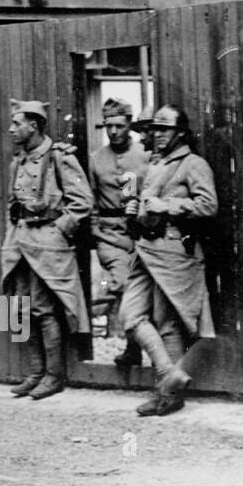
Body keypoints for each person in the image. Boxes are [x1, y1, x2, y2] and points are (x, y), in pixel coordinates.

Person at [123, 104, 218, 417]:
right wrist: (135, 207)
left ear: (180, 132)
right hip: (145, 249)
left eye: (165, 129)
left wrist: (167, 205)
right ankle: (168, 373)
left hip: (173, 251)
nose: (158, 134)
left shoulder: (193, 163)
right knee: (131, 316)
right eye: (155, 128)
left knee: (167, 324)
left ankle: (168, 397)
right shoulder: (154, 162)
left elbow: (208, 206)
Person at [1, 99, 94, 400]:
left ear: (34, 126)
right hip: (20, 243)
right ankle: (35, 372)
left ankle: (54, 376)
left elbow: (82, 202)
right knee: (22, 308)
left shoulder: (59, 157)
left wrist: (57, 230)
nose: (12, 129)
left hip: (47, 247)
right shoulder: (18, 161)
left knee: (44, 309)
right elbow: (11, 205)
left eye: (17, 124)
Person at [89, 98, 151, 369]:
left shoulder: (144, 155)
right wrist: (95, 230)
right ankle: (132, 347)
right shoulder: (96, 159)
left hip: (139, 232)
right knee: (124, 282)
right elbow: (89, 198)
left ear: (129, 125)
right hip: (109, 235)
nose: (113, 131)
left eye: (119, 125)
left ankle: (133, 348)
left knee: (143, 290)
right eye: (108, 126)